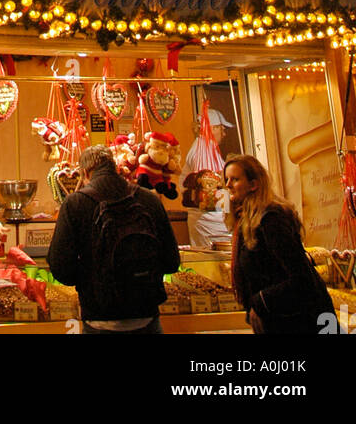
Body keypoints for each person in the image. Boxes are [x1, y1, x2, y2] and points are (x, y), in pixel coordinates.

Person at [48, 144, 180, 334]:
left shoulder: (75, 203)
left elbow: (61, 268)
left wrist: (91, 281)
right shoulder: (149, 199)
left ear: (85, 173)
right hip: (147, 316)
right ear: (115, 168)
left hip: (99, 319)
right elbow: (171, 262)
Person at [225, 154, 335, 334]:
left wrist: (259, 302)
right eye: (227, 179)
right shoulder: (246, 222)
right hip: (281, 319)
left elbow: (301, 278)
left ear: (254, 184)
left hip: (302, 321)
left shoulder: (271, 220)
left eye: (235, 179)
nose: (228, 184)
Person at [181, 108, 233, 248]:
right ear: (211, 129)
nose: (224, 133)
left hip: (210, 221)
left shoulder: (207, 148)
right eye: (221, 128)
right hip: (210, 222)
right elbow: (209, 193)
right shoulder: (203, 151)